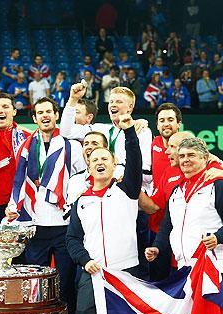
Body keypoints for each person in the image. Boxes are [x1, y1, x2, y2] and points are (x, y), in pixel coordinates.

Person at [66, 114, 143, 314]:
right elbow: (72, 240)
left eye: (104, 159)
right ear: (88, 165)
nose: (99, 163)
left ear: (114, 165)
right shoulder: (81, 201)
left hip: (125, 270)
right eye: (94, 160)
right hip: (94, 273)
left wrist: (130, 133)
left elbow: (135, 163)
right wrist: (85, 261)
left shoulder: (126, 191)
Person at [6, 97, 86, 314]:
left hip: (63, 226)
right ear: (34, 118)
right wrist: (13, 206)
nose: (44, 116)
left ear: (56, 115)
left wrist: (70, 202)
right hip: (35, 224)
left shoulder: (72, 146)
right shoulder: (26, 147)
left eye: (49, 112)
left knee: (64, 287)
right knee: (36, 285)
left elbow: (82, 179)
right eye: (40, 113)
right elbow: (19, 182)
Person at [60, 83, 153, 277]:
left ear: (130, 108)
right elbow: (66, 131)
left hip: (130, 206)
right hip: (103, 205)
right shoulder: (101, 130)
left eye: (119, 101)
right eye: (111, 101)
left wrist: (118, 172)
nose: (113, 104)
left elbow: (144, 171)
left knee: (132, 263)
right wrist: (73, 100)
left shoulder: (142, 131)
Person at [146, 138, 223, 293]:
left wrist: (218, 237)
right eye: (182, 156)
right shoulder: (177, 191)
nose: (186, 160)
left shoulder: (217, 185)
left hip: (212, 264)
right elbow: (168, 225)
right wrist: (157, 247)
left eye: (191, 155)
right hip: (183, 266)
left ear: (204, 158)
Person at [0, 92, 31, 223]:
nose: (0, 110)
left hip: (20, 206)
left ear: (14, 111)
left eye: (5, 106)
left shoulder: (27, 138)